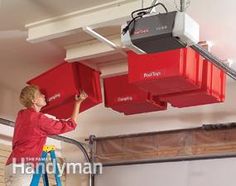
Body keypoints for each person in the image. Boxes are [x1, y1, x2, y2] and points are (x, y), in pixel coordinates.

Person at [5, 85, 88, 186]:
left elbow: (33, 116)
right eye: (40, 94)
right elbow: (70, 125)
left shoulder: (21, 114)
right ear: (33, 100)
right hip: (23, 166)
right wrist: (77, 103)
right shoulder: (38, 119)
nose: (44, 95)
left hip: (11, 165)